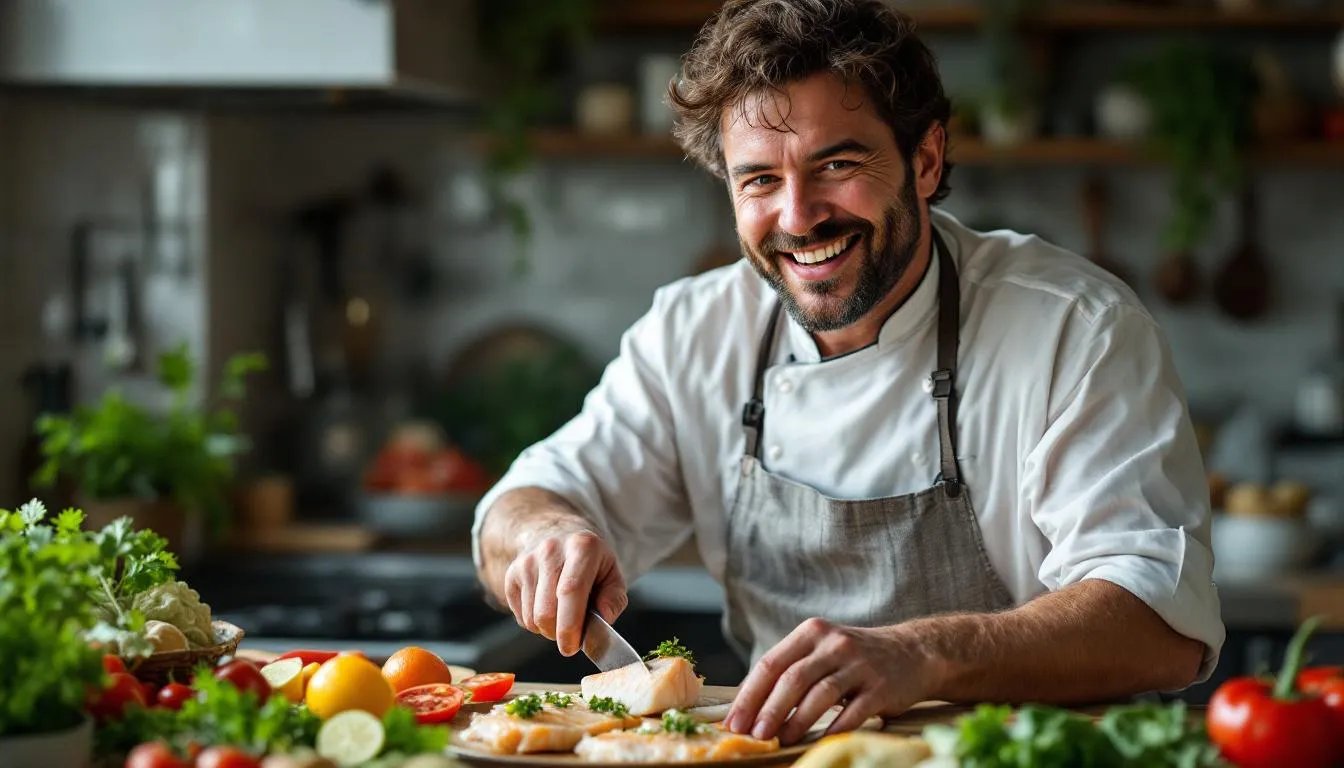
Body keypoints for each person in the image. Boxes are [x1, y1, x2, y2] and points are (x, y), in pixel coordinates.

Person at [472, 0, 1223, 747]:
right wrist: (547, 537)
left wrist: (924, 654)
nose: (798, 217)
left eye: (837, 165)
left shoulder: (1074, 327)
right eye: (759, 180)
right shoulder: (695, 332)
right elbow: (516, 510)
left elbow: (1160, 625)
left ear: (925, 161)